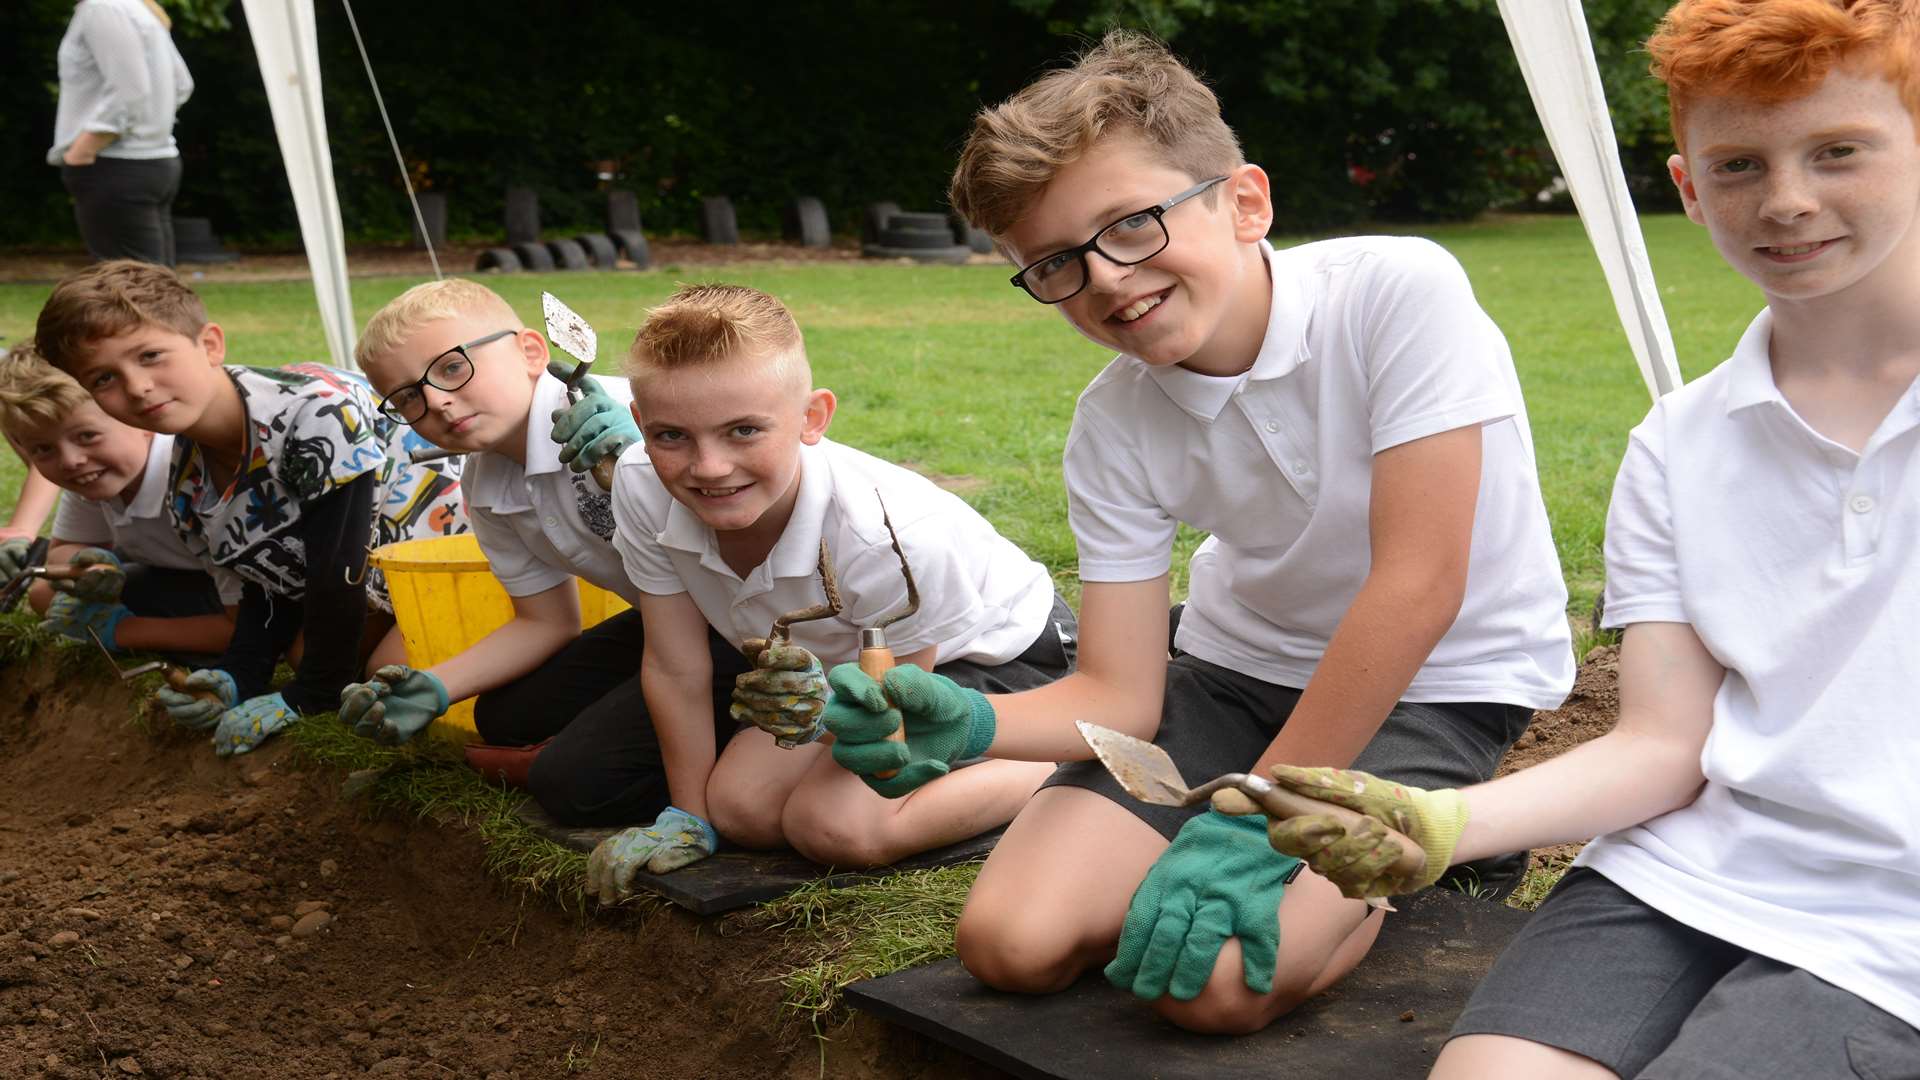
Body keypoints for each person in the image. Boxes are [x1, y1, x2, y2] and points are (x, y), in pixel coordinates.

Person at [821, 31, 1573, 1034]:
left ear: (1244, 202)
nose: (1104, 280)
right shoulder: (1113, 422)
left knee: (1218, 989)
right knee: (1010, 943)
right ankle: (1333, 852)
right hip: (1232, 675)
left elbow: (1420, 584)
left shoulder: (1397, 292)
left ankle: (1437, 852)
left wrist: (1254, 812)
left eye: (1130, 224)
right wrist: (965, 726)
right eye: (1053, 263)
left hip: (1434, 683)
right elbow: (1120, 691)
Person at [1226, 2, 1920, 1075]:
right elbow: (1661, 744)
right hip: (1681, 873)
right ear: (1686, 189)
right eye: (1738, 165)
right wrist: (1440, 823)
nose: (1787, 200)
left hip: (1892, 926)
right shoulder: (1677, 444)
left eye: (1839, 152)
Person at [581, 283, 1076, 903]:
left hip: (987, 659)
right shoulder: (639, 483)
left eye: (743, 431)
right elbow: (675, 662)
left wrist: (824, 725)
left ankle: (1061, 758)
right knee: (739, 811)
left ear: (812, 417)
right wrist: (689, 815)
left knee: (833, 827)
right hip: (845, 672)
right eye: (671, 436)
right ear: (639, 424)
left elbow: (899, 710)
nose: (708, 467)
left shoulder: (885, 535)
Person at [33, 260, 468, 756]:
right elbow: (268, 585)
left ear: (210, 344)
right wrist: (238, 674)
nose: (137, 387)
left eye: (151, 355)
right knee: (308, 650)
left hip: (464, 562)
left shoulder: (314, 414)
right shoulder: (188, 482)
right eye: (104, 378)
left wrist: (308, 696)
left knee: (374, 676)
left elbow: (336, 575)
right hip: (383, 585)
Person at [337, 279, 644, 769]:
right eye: (407, 398)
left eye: (452, 368)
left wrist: (652, 459)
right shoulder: (486, 488)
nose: (436, 401)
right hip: (667, 625)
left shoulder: (631, 414)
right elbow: (547, 622)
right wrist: (437, 686)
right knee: (507, 716)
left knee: (576, 779)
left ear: (530, 351)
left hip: (755, 619)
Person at [0, 342, 240, 656]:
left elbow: (256, 630)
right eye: (44, 449)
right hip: (182, 573)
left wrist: (123, 632)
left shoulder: (196, 486)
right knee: (45, 594)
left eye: (87, 436)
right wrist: (86, 565)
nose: (70, 460)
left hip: (255, 595)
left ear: (141, 420)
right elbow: (63, 550)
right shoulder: (93, 477)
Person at [49, 0, 194, 267]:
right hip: (156, 163)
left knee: (130, 293)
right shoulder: (138, 9)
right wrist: (151, 125)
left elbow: (130, 92)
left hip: (114, 165)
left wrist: (84, 149)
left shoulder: (102, 9)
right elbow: (182, 84)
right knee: (157, 288)